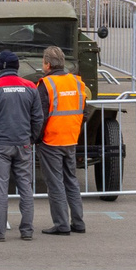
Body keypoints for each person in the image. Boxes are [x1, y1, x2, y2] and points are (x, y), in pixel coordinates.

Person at [0, 49, 42, 240]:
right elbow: (38, 118)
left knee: (0, 189)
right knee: (26, 188)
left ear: (1, 66)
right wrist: (31, 139)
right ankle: (27, 231)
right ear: (17, 67)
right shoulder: (30, 86)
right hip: (23, 144)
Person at [36, 45, 89, 235]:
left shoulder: (46, 84)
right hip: (70, 139)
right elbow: (84, 112)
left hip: (51, 140)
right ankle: (78, 222)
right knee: (71, 181)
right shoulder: (76, 82)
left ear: (47, 64)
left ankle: (61, 224)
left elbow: (40, 116)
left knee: (55, 184)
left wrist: (36, 138)